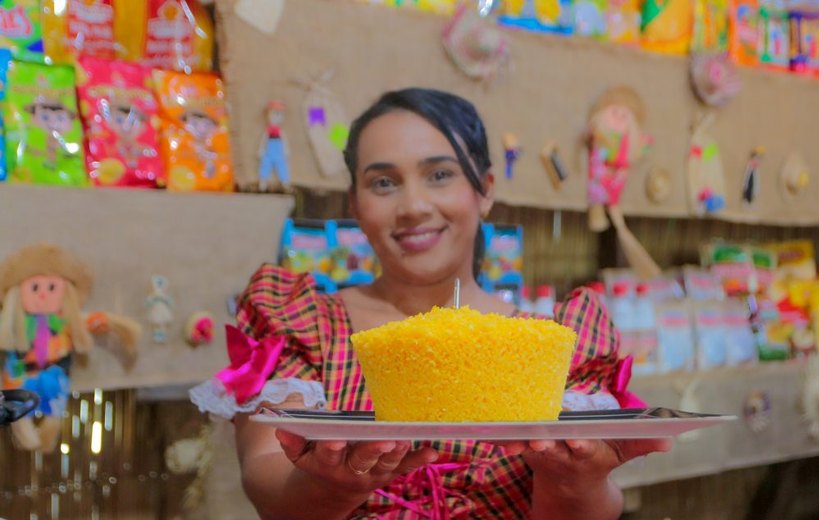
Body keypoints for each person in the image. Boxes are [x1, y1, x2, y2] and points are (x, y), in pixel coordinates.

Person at [190, 88, 671, 519]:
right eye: (383, 182)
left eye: (439, 174)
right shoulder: (300, 324)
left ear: (484, 191)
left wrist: (575, 480)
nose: (414, 205)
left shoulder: (548, 352)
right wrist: (327, 487)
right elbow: (267, 482)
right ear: (354, 205)